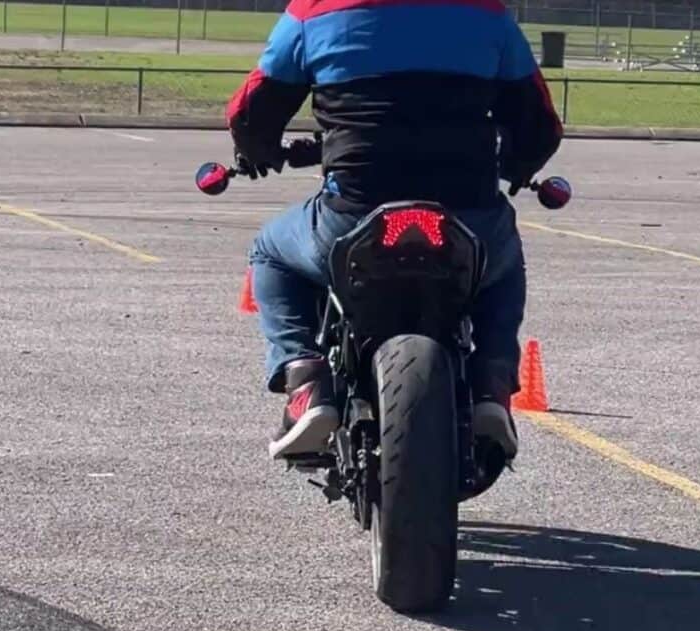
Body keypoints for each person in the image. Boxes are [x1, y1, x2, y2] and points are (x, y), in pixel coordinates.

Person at [226, 0, 563, 460]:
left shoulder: (314, 11)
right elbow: (540, 124)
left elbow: (251, 110)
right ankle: (493, 379)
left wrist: (259, 150)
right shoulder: (489, 14)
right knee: (502, 263)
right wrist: (519, 165)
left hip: (352, 214)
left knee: (269, 251)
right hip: (467, 213)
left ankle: (303, 375)